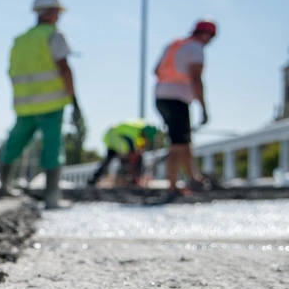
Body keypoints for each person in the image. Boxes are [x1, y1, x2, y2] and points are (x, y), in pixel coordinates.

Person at [0, 0, 82, 208]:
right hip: (51, 104)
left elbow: (11, 72)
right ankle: (52, 197)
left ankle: (3, 187)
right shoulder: (54, 36)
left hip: (25, 105)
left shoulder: (21, 40)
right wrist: (75, 101)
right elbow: (65, 69)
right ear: (52, 13)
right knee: (53, 148)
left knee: (14, 145)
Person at [154, 19, 216, 200]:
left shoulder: (174, 45)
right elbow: (196, 79)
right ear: (206, 35)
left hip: (160, 97)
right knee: (177, 144)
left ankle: (193, 178)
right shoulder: (196, 49)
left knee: (184, 140)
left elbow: (156, 70)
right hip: (177, 99)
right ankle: (172, 188)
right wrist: (203, 107)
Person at [87, 120, 158, 187]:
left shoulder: (142, 130)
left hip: (119, 139)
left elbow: (139, 147)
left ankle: (133, 179)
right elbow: (131, 155)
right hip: (113, 137)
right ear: (144, 133)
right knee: (114, 160)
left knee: (135, 158)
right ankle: (95, 179)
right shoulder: (131, 134)